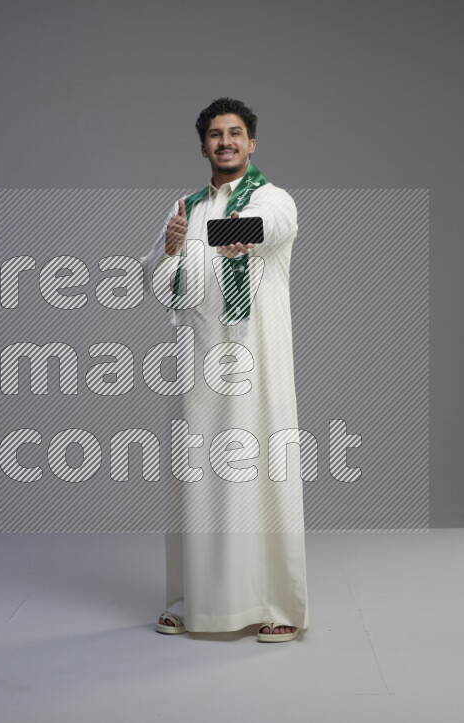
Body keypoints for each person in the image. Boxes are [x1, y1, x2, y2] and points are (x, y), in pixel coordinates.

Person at [142, 98, 308, 642]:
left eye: (235, 133)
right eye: (215, 135)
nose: (226, 142)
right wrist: (168, 251)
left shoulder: (272, 197)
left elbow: (273, 227)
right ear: (203, 146)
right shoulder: (186, 206)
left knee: (261, 477)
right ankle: (193, 601)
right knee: (196, 480)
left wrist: (238, 234)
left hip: (256, 366)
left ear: (251, 143)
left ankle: (276, 606)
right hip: (199, 364)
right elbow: (156, 279)